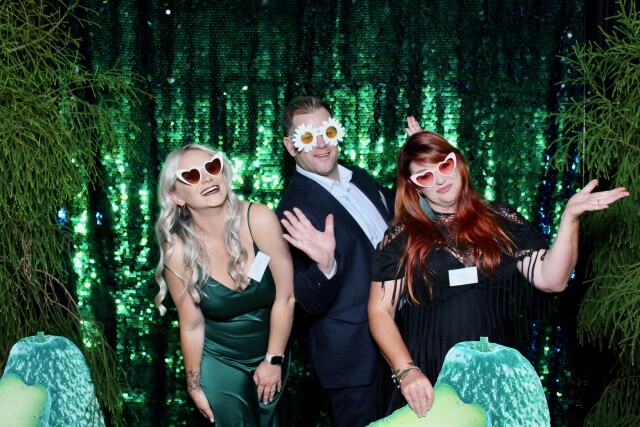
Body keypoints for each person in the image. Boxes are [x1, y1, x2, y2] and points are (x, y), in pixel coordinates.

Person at [367, 129, 630, 418]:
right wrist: (406, 371)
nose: (440, 179)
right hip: (430, 374)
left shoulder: (501, 219)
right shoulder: (404, 236)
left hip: (497, 376)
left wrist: (570, 218)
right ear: (415, 187)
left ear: (459, 163)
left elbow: (552, 280)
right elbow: (380, 311)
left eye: (445, 165)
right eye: (425, 176)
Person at [153, 144, 296, 426]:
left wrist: (273, 360)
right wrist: (194, 385)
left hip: (272, 349)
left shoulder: (259, 219)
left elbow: (287, 297)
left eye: (212, 167)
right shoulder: (177, 251)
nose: (206, 177)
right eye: (191, 175)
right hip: (219, 361)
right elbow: (192, 325)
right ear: (176, 196)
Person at [276, 96, 395, 427]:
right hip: (355, 359)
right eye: (308, 136)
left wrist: (420, 161)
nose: (322, 144)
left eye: (326, 131)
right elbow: (307, 302)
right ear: (290, 146)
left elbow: (397, 211)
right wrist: (324, 266)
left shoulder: (358, 176)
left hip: (402, 340)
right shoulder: (291, 211)